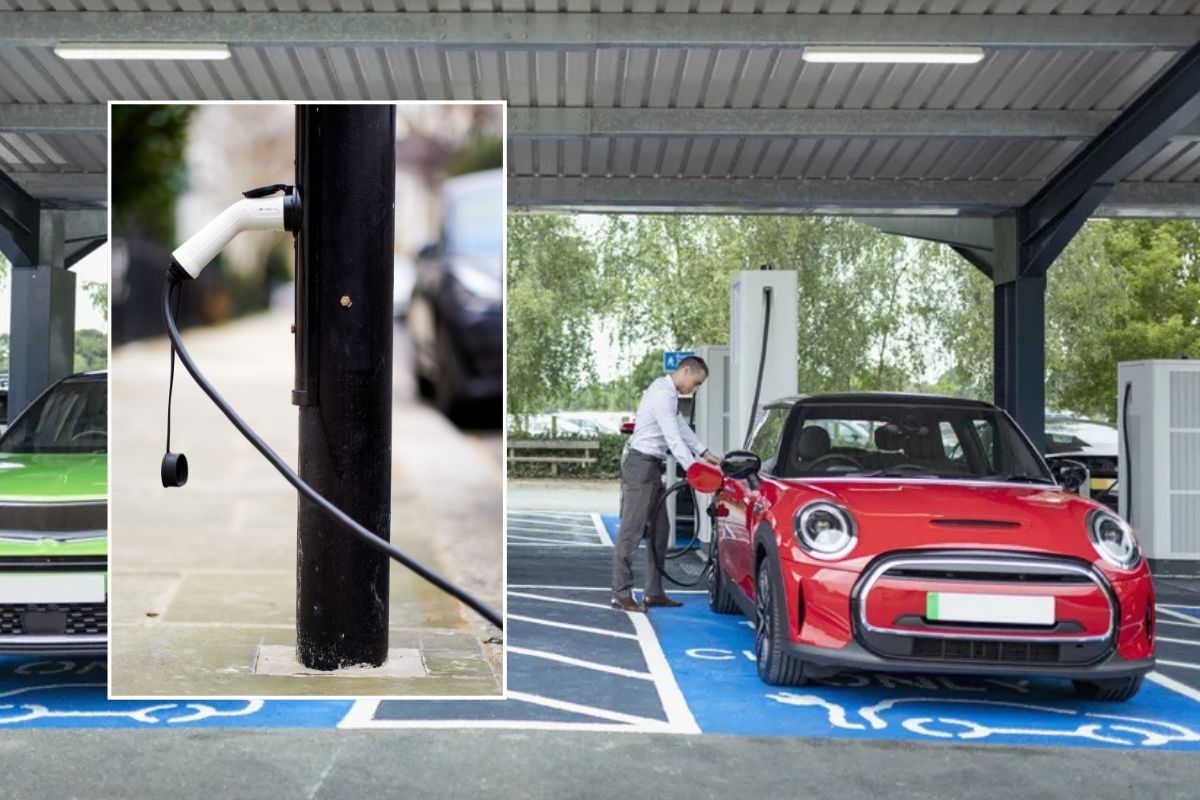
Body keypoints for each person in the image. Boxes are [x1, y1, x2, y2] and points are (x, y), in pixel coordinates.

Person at [612, 356, 720, 612]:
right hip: (641, 466)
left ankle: (654, 592)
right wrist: (693, 467)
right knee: (631, 531)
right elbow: (672, 438)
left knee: (661, 529)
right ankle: (621, 594)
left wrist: (703, 453)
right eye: (695, 383)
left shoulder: (669, 397)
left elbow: (681, 428)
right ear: (685, 371)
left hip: (652, 466)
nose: (694, 390)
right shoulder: (662, 394)